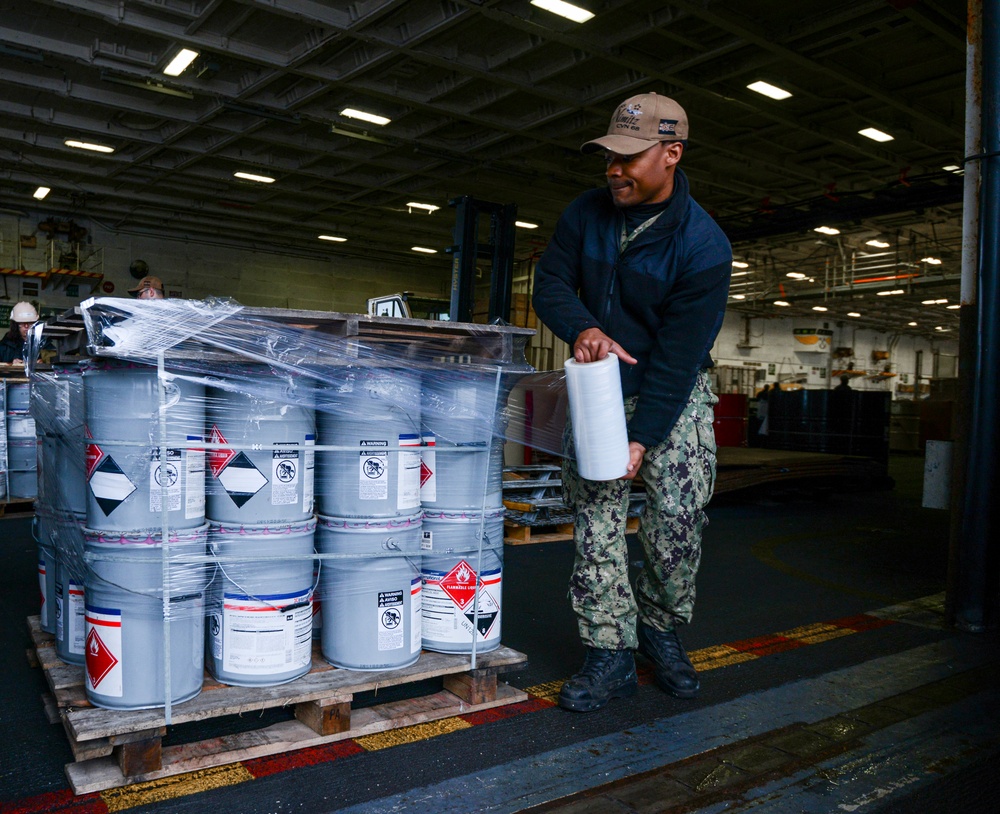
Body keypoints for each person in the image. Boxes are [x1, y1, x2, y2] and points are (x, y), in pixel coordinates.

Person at [532, 92, 732, 712]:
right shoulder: (585, 215)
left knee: (678, 524)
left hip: (674, 391)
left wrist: (642, 438)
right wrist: (584, 327)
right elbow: (552, 283)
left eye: (629, 157)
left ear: (670, 155)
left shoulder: (704, 247)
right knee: (597, 520)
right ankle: (609, 651)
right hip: (599, 389)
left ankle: (659, 627)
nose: (614, 170)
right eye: (608, 158)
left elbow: (676, 358)